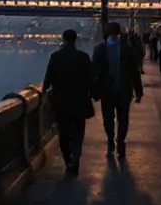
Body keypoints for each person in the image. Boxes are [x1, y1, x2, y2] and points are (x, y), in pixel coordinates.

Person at [43, 29, 96, 175]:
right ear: (75, 40)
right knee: (79, 133)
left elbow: (47, 80)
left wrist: (44, 94)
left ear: (63, 39)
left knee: (64, 134)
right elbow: (91, 77)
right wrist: (94, 94)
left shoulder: (56, 56)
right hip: (80, 101)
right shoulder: (83, 57)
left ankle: (68, 162)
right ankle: (76, 160)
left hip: (61, 102)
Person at [92, 22, 144, 158]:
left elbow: (95, 72)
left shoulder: (99, 49)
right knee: (123, 118)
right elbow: (134, 72)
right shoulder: (128, 49)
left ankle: (110, 140)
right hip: (124, 89)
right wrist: (138, 91)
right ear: (119, 32)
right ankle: (121, 141)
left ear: (107, 32)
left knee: (108, 118)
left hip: (106, 91)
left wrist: (94, 91)